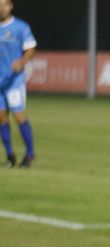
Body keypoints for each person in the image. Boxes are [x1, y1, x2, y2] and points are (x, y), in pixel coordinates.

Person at [0, 0, 36, 168]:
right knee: (1, 118)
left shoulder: (20, 27)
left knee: (18, 116)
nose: (2, 8)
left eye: (5, 4)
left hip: (14, 81)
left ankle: (29, 154)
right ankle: (10, 155)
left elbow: (31, 48)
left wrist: (22, 62)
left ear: (11, 6)